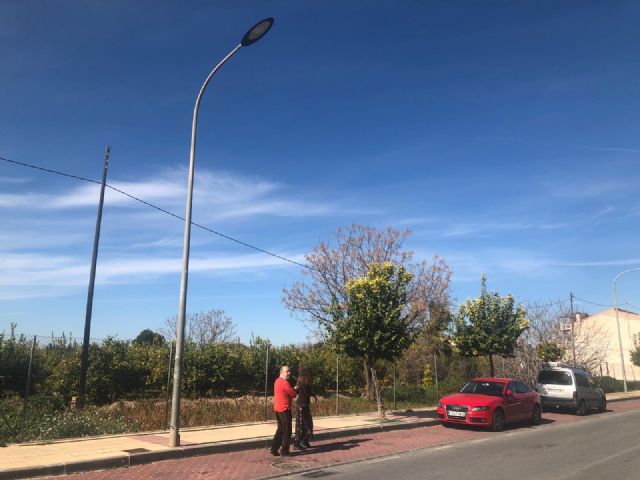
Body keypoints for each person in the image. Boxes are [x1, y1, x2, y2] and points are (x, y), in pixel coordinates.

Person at [270, 365, 297, 456]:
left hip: (277, 408)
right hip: (284, 409)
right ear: (282, 372)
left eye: (289, 371)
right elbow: (293, 394)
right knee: (287, 430)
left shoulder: (277, 381)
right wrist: (295, 389)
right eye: (287, 371)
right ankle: (284, 450)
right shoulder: (284, 383)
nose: (289, 373)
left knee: (280, 429)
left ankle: (274, 448)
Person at [294, 367, 317, 450]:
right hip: (302, 405)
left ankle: (304, 441)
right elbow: (306, 392)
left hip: (304, 404)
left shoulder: (303, 382)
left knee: (307, 424)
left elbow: (308, 392)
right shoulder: (303, 382)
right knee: (303, 424)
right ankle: (299, 442)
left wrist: (313, 395)